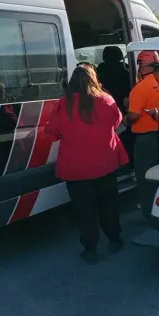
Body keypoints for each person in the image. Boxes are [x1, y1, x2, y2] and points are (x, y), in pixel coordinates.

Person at [45, 64, 128, 264]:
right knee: (109, 203)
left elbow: (50, 135)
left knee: (84, 209)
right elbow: (117, 122)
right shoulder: (106, 100)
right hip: (104, 163)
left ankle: (90, 249)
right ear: (94, 79)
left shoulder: (63, 104)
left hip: (75, 168)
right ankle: (114, 239)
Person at [125, 51, 159, 217]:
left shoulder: (140, 88)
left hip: (145, 138)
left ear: (142, 64)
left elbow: (134, 116)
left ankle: (149, 211)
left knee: (144, 175)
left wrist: (123, 120)